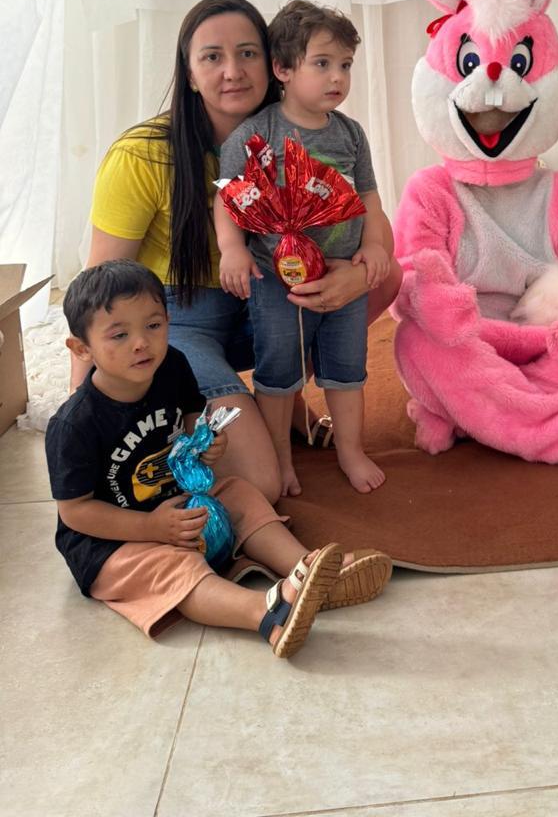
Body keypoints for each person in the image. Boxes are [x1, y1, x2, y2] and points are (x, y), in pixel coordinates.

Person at [78, 0, 402, 504]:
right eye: (212, 57)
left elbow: (368, 211)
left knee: (387, 276)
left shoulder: (311, 131)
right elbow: (96, 290)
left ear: (273, 64)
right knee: (261, 481)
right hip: (185, 320)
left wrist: (356, 276)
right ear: (189, 74)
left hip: (264, 299)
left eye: (247, 53)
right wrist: (84, 414)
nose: (233, 71)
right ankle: (239, 404)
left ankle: (285, 396)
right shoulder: (143, 156)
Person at [47, 261, 391, 656]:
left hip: (178, 506)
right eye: (120, 335)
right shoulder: (74, 425)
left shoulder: (172, 365)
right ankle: (267, 612)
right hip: (113, 540)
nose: (141, 343)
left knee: (240, 492)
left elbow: (193, 415)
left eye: (154, 325)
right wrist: (150, 528)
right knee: (173, 567)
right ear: (82, 349)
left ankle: (309, 570)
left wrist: (206, 443)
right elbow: (75, 512)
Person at [216, 1, 389, 497]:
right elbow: (227, 197)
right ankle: (280, 458)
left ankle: (350, 450)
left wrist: (374, 243)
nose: (338, 77)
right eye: (323, 63)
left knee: (347, 368)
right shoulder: (257, 135)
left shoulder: (350, 134)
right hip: (278, 281)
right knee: (278, 371)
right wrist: (232, 249)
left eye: (346, 65)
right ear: (283, 69)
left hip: (344, 273)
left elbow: (369, 196)